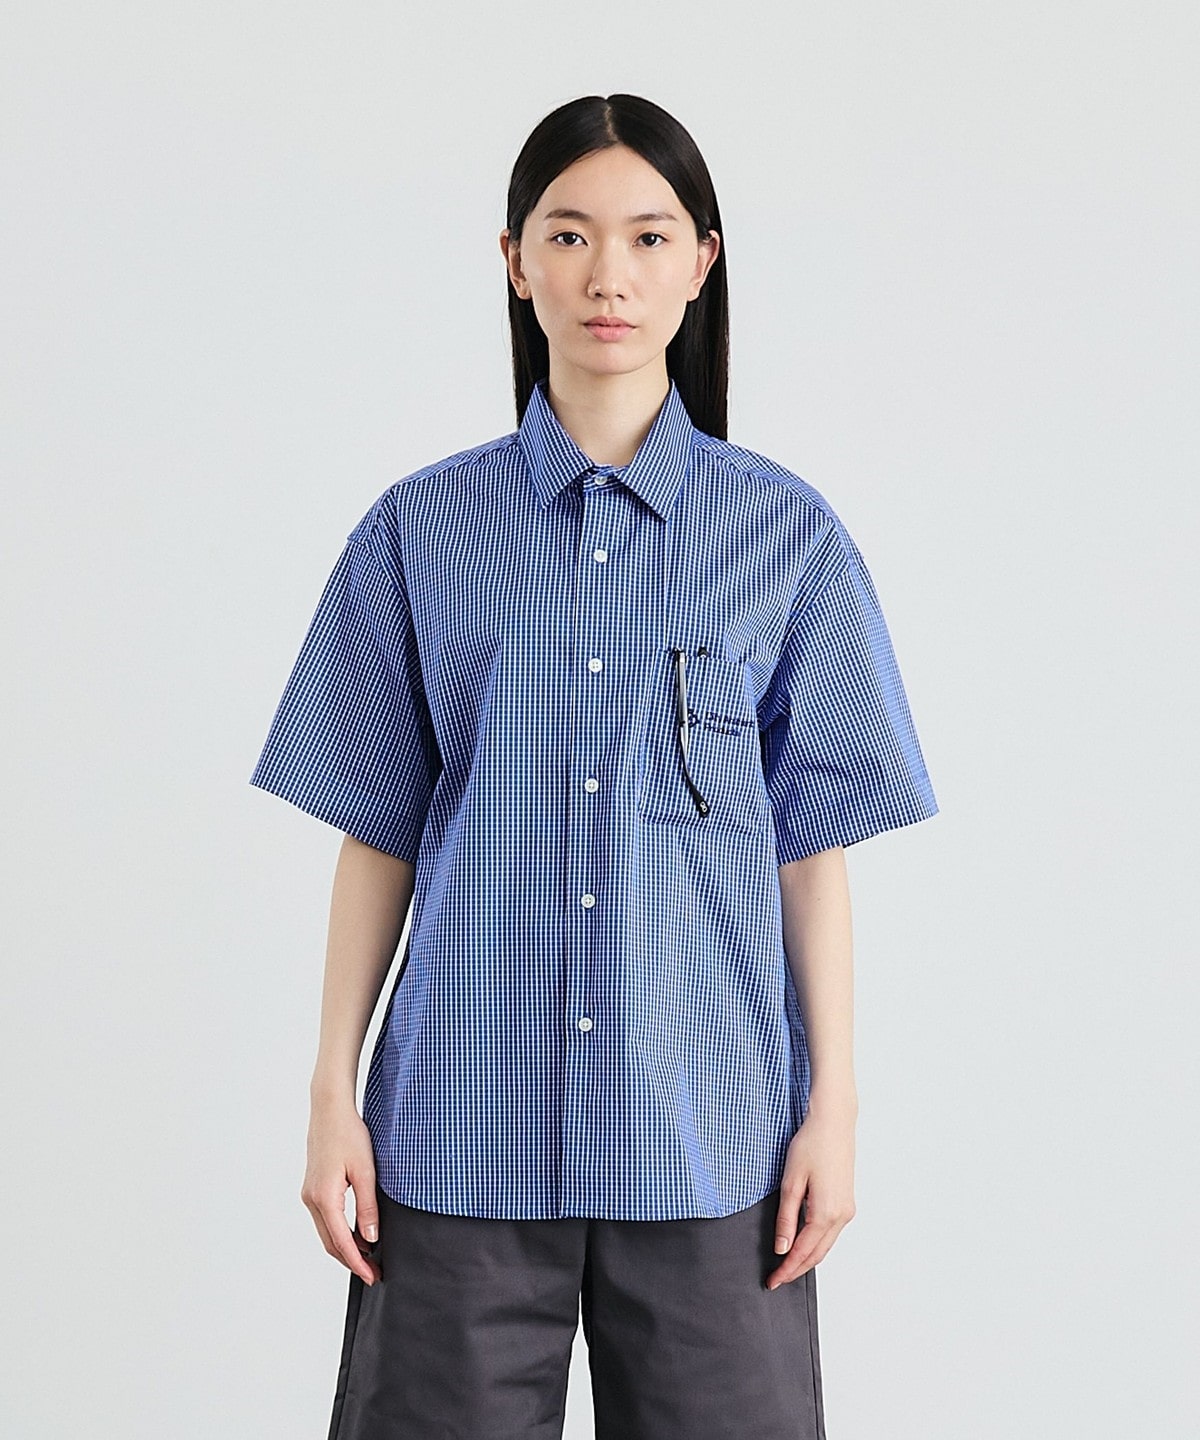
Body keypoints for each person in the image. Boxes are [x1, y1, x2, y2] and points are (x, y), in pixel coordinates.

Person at [249, 92, 938, 1440]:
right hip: (456, 1132)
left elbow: (810, 853)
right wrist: (332, 1091)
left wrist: (835, 1109)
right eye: (568, 235)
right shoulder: (419, 531)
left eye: (647, 236)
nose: (608, 274)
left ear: (702, 262)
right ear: (515, 261)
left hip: (713, 1136)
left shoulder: (786, 537)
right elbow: (378, 831)